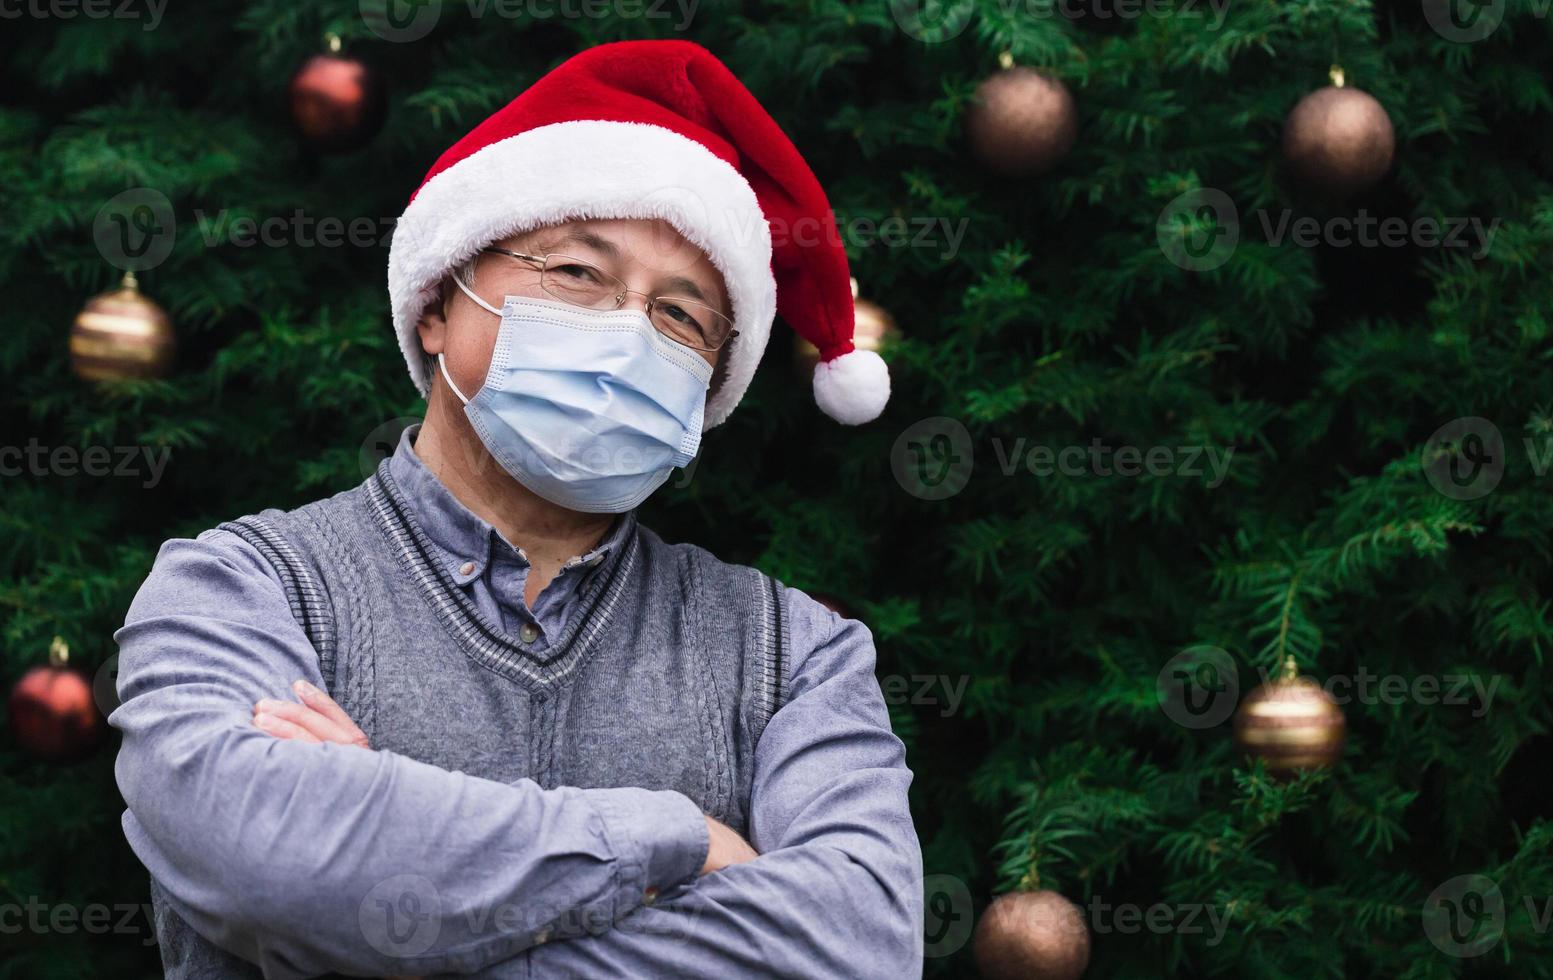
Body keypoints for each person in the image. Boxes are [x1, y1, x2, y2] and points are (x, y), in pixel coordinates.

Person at [110, 38, 921, 979]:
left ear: (709, 389)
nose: (626, 331)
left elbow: (857, 947)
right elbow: (259, 852)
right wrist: (678, 840)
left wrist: (383, 889)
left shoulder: (793, 655)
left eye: (681, 316)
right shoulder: (241, 588)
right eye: (577, 273)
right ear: (435, 303)